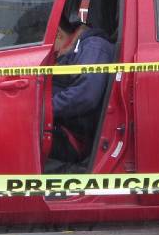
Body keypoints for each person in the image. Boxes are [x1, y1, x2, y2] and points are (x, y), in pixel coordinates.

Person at [49, 14, 116, 166]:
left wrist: (44, 108)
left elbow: (86, 96)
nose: (51, 57)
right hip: (64, 127)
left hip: (75, 138)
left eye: (50, 49)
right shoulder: (78, 49)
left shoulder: (93, 47)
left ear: (59, 34)